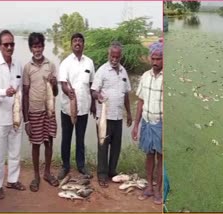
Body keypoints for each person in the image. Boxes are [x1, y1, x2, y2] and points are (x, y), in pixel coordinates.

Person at [0, 30, 26, 200]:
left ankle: (13, 180)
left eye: (12, 44)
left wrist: (21, 111)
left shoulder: (18, 64)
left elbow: (21, 89)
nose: (9, 47)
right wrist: (4, 92)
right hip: (0, 118)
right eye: (6, 44)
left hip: (16, 116)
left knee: (15, 151)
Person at [91, 41, 132, 188]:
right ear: (108, 55)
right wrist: (98, 97)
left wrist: (129, 113)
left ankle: (111, 171)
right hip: (104, 118)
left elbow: (126, 94)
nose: (114, 59)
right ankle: (101, 175)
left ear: (120, 56)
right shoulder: (102, 71)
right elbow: (94, 90)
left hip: (118, 117)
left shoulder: (123, 71)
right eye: (112, 56)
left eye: (117, 57)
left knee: (116, 146)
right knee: (103, 146)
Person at [23, 32, 59, 192]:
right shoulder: (27, 67)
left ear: (43, 46)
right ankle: (36, 176)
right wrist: (26, 120)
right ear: (31, 48)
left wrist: (54, 83)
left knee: (49, 141)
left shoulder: (51, 65)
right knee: (36, 144)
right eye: (34, 46)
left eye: (40, 46)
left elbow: (56, 92)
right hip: (34, 112)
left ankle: (47, 173)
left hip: (49, 111)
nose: (37, 49)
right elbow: (24, 94)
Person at [58, 33, 96, 180]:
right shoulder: (65, 63)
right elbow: (63, 83)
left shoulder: (90, 63)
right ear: (71, 44)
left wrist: (93, 104)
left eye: (80, 41)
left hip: (84, 108)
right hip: (67, 108)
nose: (78, 43)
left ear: (83, 44)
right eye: (75, 41)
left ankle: (81, 165)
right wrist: (68, 92)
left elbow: (92, 85)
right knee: (66, 138)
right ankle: (65, 166)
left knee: (81, 138)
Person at [131, 40, 163, 204]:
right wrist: (136, 125)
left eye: (159, 59)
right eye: (154, 58)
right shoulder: (145, 76)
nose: (156, 62)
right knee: (149, 155)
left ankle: (158, 190)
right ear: (150, 59)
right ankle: (149, 187)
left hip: (161, 123)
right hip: (147, 122)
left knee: (161, 157)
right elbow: (140, 102)